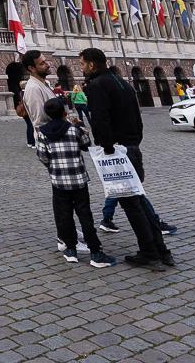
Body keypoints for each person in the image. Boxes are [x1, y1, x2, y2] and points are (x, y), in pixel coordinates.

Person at [80, 47, 174, 271]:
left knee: (131, 204)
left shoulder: (97, 86)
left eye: (82, 64)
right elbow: (137, 117)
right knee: (139, 200)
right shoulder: (122, 83)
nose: (82, 68)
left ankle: (149, 253)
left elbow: (100, 121)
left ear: (92, 65)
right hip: (133, 146)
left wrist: (107, 147)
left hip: (117, 152)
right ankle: (162, 250)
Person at [36, 97, 116, 268]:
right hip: (79, 180)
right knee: (85, 215)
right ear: (64, 112)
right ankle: (95, 252)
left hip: (58, 181)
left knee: (64, 216)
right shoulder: (73, 130)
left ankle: (70, 249)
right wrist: (81, 126)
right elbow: (87, 145)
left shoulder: (42, 133)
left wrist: (53, 167)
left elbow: (42, 156)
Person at [21, 51, 52, 147]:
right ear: (31, 68)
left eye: (45, 61)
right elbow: (41, 120)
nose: (48, 65)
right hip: (52, 141)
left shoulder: (43, 83)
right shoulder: (33, 89)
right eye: (42, 63)